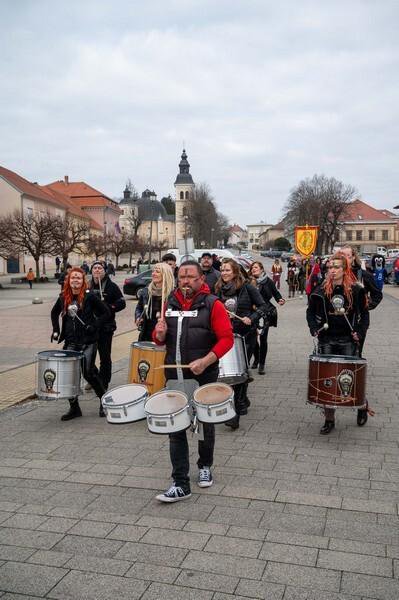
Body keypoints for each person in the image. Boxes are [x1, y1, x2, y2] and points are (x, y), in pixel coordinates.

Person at [153, 260, 234, 502]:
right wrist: (159, 335)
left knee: (204, 425)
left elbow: (227, 339)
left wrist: (207, 360)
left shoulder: (213, 304)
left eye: (191, 277)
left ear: (201, 279)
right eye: (182, 277)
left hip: (203, 375)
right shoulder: (169, 302)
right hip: (174, 376)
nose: (186, 282)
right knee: (175, 428)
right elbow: (159, 339)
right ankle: (180, 482)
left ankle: (205, 464)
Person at [306, 253, 369, 434]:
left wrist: (359, 331)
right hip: (326, 339)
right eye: (329, 268)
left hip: (348, 339)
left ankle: (362, 405)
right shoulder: (320, 290)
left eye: (336, 267)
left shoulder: (356, 290)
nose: (332, 271)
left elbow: (364, 315)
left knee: (351, 377)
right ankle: (329, 419)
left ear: (344, 270)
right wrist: (314, 327)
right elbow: (310, 312)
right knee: (328, 379)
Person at [50, 267, 110, 420]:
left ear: (83, 281)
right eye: (73, 278)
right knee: (69, 375)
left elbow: (106, 313)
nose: (75, 280)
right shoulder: (64, 296)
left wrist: (95, 326)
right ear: (68, 281)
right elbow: (54, 313)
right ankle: (74, 408)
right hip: (71, 341)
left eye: (78, 278)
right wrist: (56, 330)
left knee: (88, 372)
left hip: (88, 340)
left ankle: (105, 401)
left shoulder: (90, 296)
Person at [215, 258, 266, 429]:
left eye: (227, 270)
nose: (224, 273)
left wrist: (251, 319)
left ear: (235, 272)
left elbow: (264, 307)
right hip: (224, 335)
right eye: (222, 270)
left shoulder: (247, 287)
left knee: (240, 371)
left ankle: (235, 412)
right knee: (228, 373)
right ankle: (242, 400)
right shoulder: (218, 289)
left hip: (245, 335)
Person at [89, 260, 126, 392]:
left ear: (105, 271)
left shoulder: (112, 287)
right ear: (91, 271)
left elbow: (122, 303)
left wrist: (110, 307)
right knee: (87, 357)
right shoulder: (87, 286)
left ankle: (104, 382)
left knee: (105, 357)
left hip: (106, 327)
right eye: (95, 268)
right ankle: (94, 377)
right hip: (90, 328)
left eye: (100, 268)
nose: (97, 270)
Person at [249, 261, 285, 374]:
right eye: (252, 268)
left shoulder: (268, 281)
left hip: (266, 312)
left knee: (263, 338)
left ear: (262, 269)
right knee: (253, 338)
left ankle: (261, 364)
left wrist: (280, 299)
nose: (253, 269)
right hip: (253, 312)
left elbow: (275, 293)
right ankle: (256, 358)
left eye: (255, 267)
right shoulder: (248, 281)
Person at [135, 262, 175, 341]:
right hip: (146, 334)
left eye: (157, 271)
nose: (153, 274)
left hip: (166, 336)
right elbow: (139, 308)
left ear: (165, 274)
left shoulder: (173, 294)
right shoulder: (146, 291)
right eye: (153, 271)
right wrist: (138, 317)